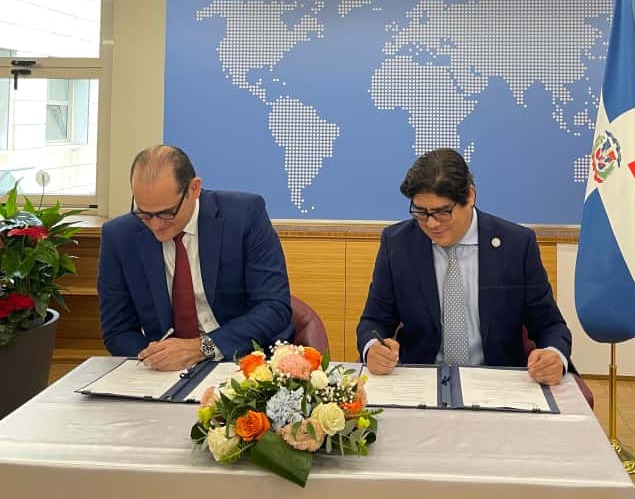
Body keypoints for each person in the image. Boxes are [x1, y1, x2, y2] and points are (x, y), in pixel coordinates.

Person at [357, 148, 571, 385]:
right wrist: (373, 347)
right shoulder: (397, 244)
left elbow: (550, 325)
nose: (431, 223)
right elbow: (373, 322)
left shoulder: (516, 245)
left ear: (470, 197)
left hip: (497, 382)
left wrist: (554, 355)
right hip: (420, 380)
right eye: (420, 212)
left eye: (442, 212)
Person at [98, 145, 293, 371]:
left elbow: (274, 307)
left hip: (244, 359)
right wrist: (154, 358)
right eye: (144, 213)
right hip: (168, 370)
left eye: (166, 213)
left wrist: (202, 348)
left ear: (194, 189)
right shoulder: (119, 236)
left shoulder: (244, 215)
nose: (156, 225)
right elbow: (118, 331)